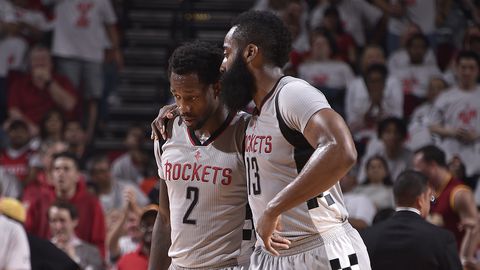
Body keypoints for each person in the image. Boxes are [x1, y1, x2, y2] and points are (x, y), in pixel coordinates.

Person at [220, 10, 369, 269]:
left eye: (226, 53)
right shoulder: (256, 113)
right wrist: (176, 112)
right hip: (274, 253)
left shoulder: (292, 94)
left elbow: (342, 150)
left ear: (250, 52)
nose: (222, 64)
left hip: (320, 248)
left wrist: (273, 208)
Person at [149, 42, 254, 269]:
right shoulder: (166, 132)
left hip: (232, 263)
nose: (183, 107)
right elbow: (165, 218)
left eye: (192, 97)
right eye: (177, 96)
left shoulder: (248, 132)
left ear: (217, 88)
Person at [360, 170, 462, 270]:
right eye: (429, 198)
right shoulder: (443, 239)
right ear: (421, 200)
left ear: (395, 198)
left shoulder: (367, 236)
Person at [413, 145, 479, 265]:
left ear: (432, 165)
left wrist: (462, 262)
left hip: (454, 263)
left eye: (419, 169)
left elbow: (475, 230)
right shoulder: (428, 191)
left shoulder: (459, 193)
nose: (416, 173)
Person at [49, 200, 104, 270]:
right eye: (53, 221)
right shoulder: (42, 250)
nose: (58, 227)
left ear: (74, 222)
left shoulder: (91, 251)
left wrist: (74, 259)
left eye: (62, 220)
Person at [116, 205, 162, 270]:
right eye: (147, 224)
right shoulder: (126, 261)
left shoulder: (172, 260)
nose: (151, 229)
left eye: (155, 224)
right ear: (139, 228)